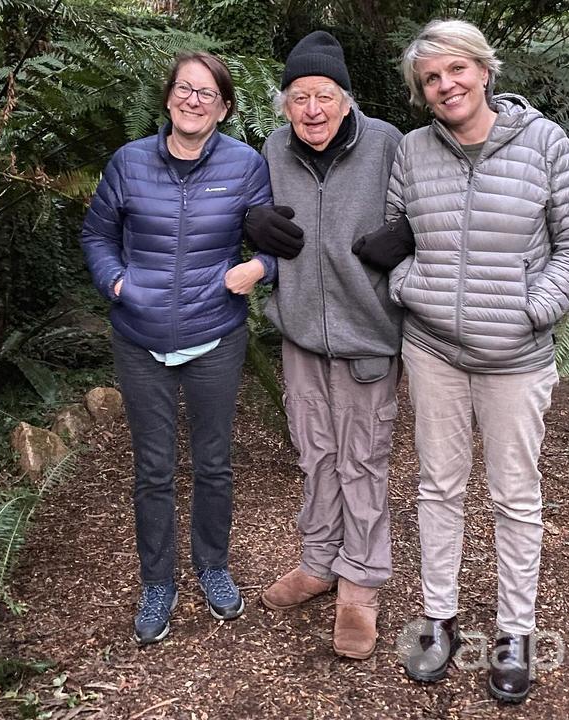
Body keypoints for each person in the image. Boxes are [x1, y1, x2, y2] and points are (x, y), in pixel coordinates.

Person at [377, 19, 569, 702]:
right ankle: (439, 619)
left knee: (514, 496)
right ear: (423, 92)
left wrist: (532, 308)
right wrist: (408, 288)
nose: (446, 86)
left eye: (456, 70)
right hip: (434, 350)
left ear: (484, 69)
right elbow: (396, 235)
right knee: (439, 488)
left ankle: (514, 634)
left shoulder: (543, 142)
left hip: (517, 358)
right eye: (432, 79)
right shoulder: (413, 151)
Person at [79, 51, 277, 646]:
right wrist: (117, 282)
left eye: (207, 93)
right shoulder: (128, 162)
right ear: (168, 98)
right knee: (154, 469)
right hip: (140, 339)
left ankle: (213, 567)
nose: (194, 100)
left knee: (214, 464)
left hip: (215, 334)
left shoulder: (245, 166)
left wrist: (258, 267)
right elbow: (97, 234)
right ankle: (157, 582)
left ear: (224, 108)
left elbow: (278, 239)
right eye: (185, 89)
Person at [241, 30, 405, 660]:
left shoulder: (386, 143)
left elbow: (433, 207)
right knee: (315, 454)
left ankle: (360, 582)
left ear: (346, 98)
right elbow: (258, 216)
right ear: (284, 103)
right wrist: (248, 221)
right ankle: (318, 562)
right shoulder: (274, 149)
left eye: (324, 95)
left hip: (368, 334)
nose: (312, 109)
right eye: (299, 97)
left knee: (361, 460)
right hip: (302, 333)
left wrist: (407, 234)